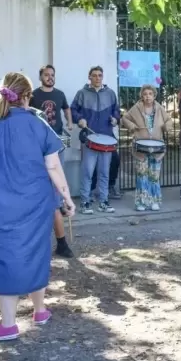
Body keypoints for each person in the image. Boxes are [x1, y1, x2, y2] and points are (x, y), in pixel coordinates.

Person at [0, 72, 75, 342]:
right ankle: (40, 310)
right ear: (26, 96)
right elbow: (54, 166)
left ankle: (9, 324)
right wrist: (67, 199)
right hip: (34, 203)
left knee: (3, 257)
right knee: (35, 251)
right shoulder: (38, 125)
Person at [30, 64, 74, 258]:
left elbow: (66, 109)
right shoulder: (33, 95)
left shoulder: (60, 93)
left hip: (56, 142)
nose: (50, 77)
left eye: (52, 75)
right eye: (46, 75)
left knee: (56, 182)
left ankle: (62, 243)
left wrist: (70, 122)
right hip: (37, 146)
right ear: (41, 77)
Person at [71, 66, 119, 214]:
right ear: (89, 77)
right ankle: (85, 201)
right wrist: (79, 119)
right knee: (87, 172)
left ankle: (103, 201)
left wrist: (115, 119)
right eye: (94, 76)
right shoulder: (82, 93)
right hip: (89, 138)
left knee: (104, 172)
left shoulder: (110, 94)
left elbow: (116, 111)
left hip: (107, 138)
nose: (97, 78)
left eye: (100, 75)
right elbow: (73, 110)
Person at [121, 84, 172, 212]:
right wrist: (132, 126)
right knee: (141, 174)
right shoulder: (136, 108)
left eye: (150, 94)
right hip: (141, 148)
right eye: (145, 94)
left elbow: (169, 121)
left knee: (154, 175)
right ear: (142, 96)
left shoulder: (160, 108)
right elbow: (125, 118)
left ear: (154, 95)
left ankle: (154, 201)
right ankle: (141, 202)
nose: (147, 96)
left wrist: (166, 127)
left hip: (156, 148)